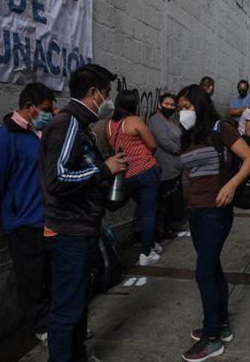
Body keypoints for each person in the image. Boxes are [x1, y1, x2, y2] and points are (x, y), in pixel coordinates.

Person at [41, 64, 127, 362]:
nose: (108, 100)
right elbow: (57, 178)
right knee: (67, 309)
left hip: (81, 228)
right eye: (106, 93)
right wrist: (104, 170)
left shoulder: (81, 125)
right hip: (69, 231)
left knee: (77, 304)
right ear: (93, 93)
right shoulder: (68, 124)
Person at [177, 84, 250, 362]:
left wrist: (231, 185)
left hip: (216, 210)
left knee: (203, 273)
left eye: (186, 107)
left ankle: (211, 338)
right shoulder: (189, 135)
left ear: (199, 105)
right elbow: (190, 170)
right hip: (196, 210)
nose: (182, 113)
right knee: (212, 268)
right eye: (180, 108)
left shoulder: (220, 128)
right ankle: (220, 325)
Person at [0, 82, 56, 343]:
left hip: (48, 219)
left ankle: (56, 321)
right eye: (45, 110)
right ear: (28, 107)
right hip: (24, 222)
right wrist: (12, 208)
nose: (49, 114)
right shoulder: (5, 138)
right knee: (31, 278)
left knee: (50, 274)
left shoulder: (40, 133)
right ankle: (42, 326)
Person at [106, 89, 163, 266]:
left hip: (126, 175)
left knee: (143, 208)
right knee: (148, 212)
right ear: (133, 104)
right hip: (146, 171)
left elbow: (114, 149)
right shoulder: (135, 120)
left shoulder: (109, 125)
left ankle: (150, 244)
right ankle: (145, 254)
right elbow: (152, 144)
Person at [148, 93, 186, 239]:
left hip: (175, 167)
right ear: (159, 105)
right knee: (163, 200)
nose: (170, 107)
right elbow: (163, 141)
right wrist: (178, 150)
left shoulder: (172, 119)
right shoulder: (155, 120)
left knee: (171, 200)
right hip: (164, 166)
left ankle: (170, 227)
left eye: (172, 105)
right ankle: (163, 231)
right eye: (167, 104)